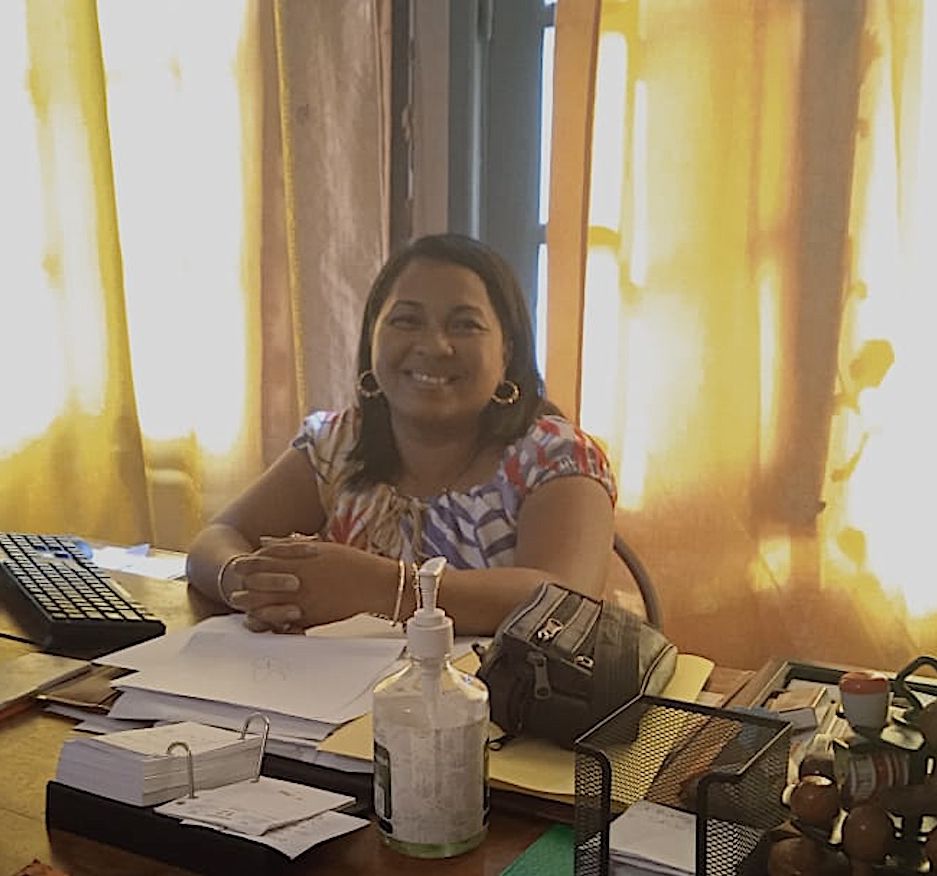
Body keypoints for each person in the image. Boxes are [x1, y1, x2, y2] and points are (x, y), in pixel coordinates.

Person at [185, 233, 616, 637]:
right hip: (334, 701)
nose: (433, 345)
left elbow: (563, 602)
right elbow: (215, 539)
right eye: (406, 320)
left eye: (464, 325)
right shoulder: (336, 444)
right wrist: (245, 580)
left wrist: (382, 588)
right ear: (372, 339)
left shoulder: (555, 456)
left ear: (507, 352)